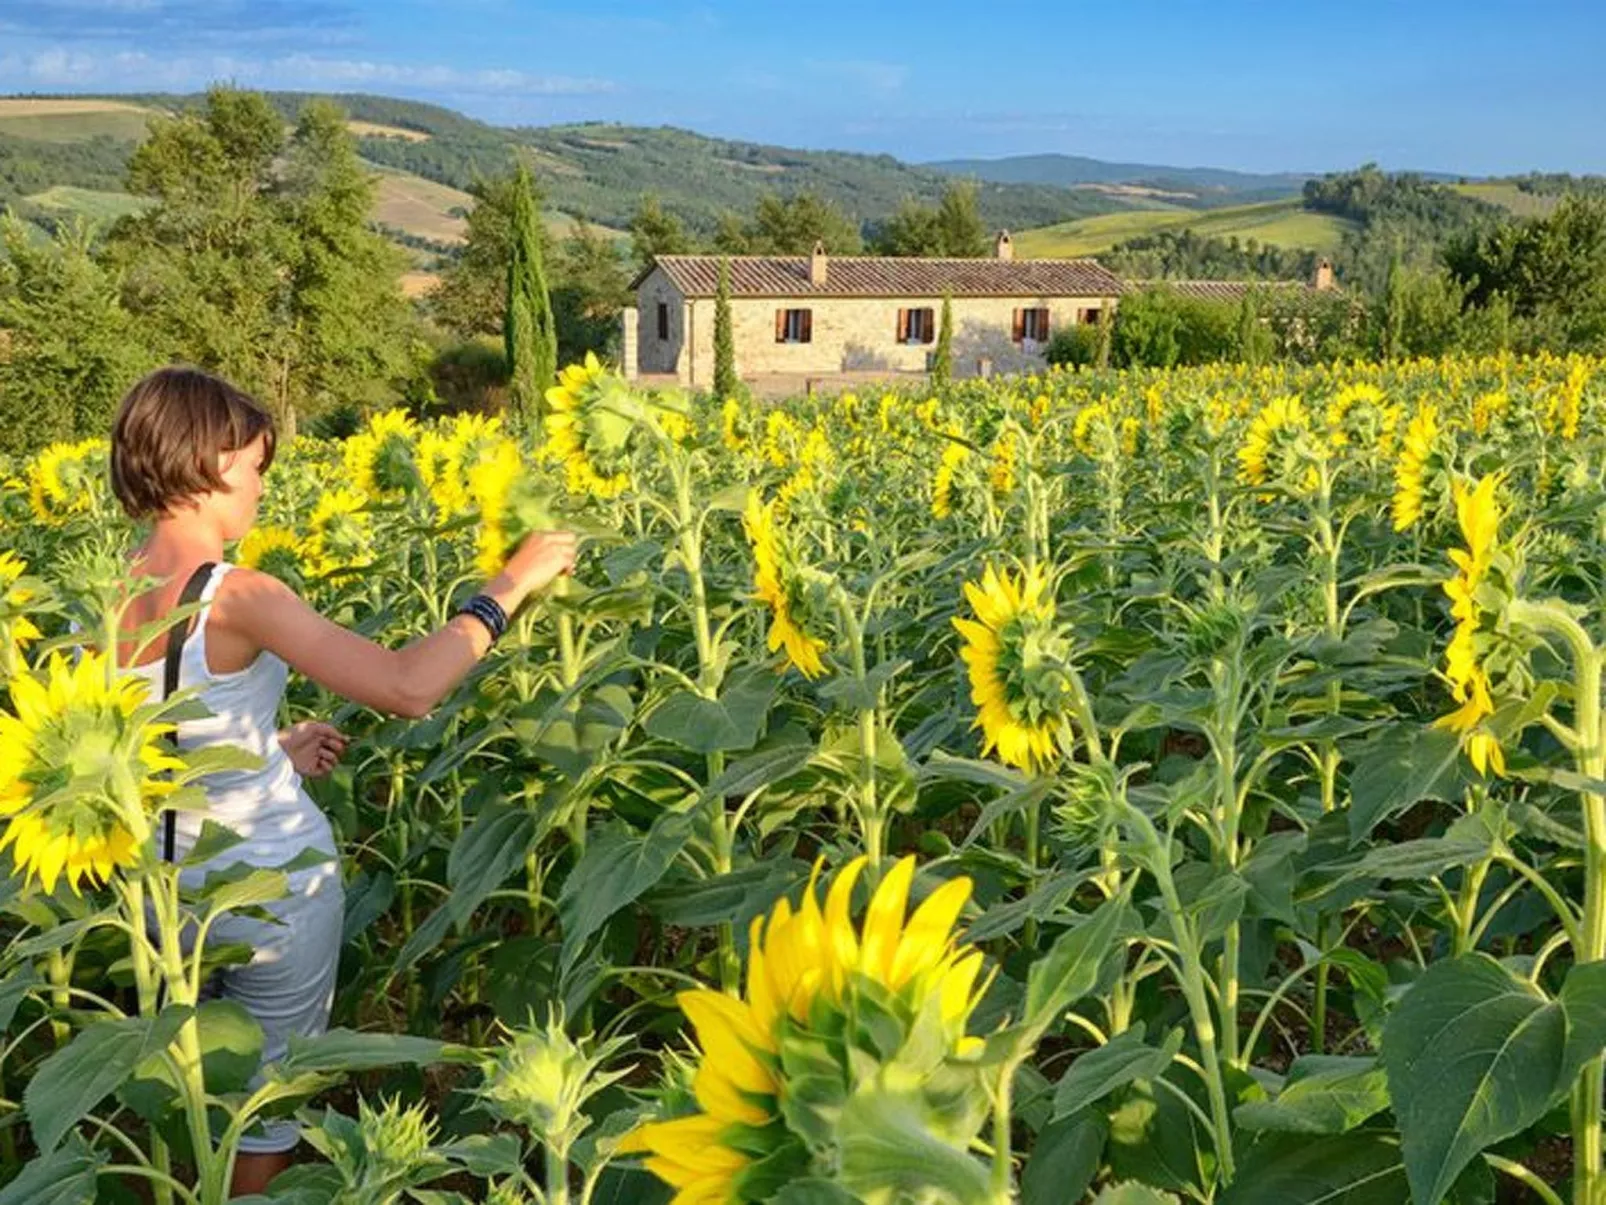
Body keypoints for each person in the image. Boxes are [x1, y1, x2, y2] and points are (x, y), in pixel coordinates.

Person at [108, 366, 576, 1196]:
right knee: (266, 1102)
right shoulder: (237, 595)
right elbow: (407, 686)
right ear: (213, 462)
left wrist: (268, 747)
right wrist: (512, 584)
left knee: (171, 1094)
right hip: (269, 890)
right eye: (255, 466)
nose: (258, 486)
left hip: (156, 899)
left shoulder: (100, 597)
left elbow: (144, 744)